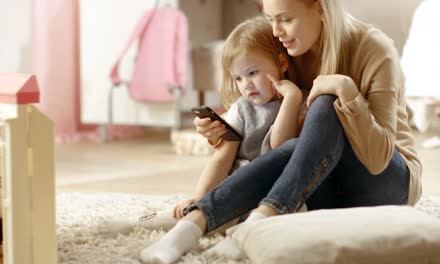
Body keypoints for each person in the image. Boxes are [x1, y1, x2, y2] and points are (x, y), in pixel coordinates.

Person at [139, 0, 422, 263]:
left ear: (321, 9)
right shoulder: (286, 50)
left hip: (384, 188)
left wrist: (347, 92)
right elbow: (281, 143)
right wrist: (223, 135)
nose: (277, 31)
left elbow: (379, 159)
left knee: (326, 102)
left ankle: (258, 222)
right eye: (271, 19)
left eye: (285, 19)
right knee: (294, 148)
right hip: (319, 188)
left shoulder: (374, 48)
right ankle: (189, 227)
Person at [100, 15, 304, 237]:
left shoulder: (299, 103)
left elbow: (281, 147)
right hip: (235, 188)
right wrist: (200, 196)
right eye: (238, 78)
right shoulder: (241, 109)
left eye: (252, 73)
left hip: (272, 194)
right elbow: (221, 158)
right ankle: (139, 223)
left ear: (282, 63)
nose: (247, 85)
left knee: (288, 217)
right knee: (195, 213)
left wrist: (291, 98)